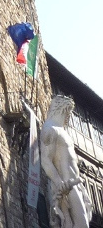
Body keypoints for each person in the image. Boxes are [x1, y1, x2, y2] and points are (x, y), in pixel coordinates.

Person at [41, 95, 92, 228]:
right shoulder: (49, 129)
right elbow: (46, 161)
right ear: (63, 109)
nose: (69, 117)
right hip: (66, 186)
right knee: (81, 225)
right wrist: (59, 183)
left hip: (75, 184)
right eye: (69, 112)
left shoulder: (62, 131)